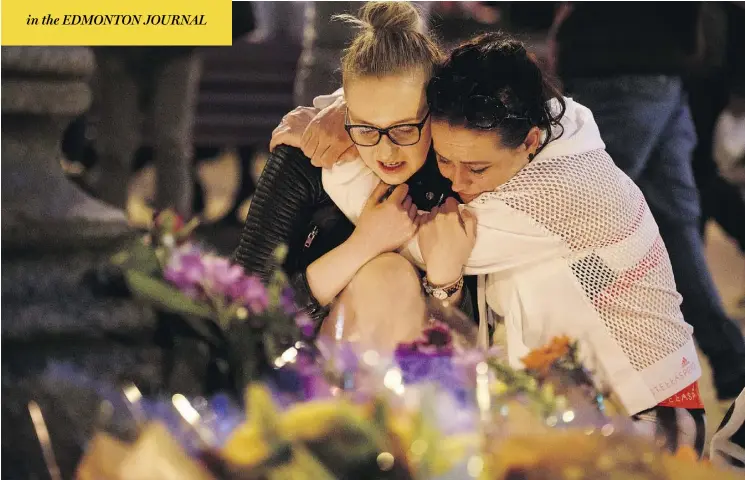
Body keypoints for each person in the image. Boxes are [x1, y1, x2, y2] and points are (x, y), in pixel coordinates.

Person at [278, 31, 707, 453]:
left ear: (530, 142)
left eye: (477, 168)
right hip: (562, 405)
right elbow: (442, 79)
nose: (456, 182)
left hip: (649, 420)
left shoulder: (560, 192)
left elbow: (405, 225)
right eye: (444, 158)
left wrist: (333, 153)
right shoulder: (553, 119)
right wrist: (344, 111)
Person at [234, 2, 474, 353]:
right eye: (364, 128)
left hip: (427, 383)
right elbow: (243, 306)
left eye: (405, 129)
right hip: (305, 374)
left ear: (434, 112)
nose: (386, 151)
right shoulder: (307, 161)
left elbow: (477, 329)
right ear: (343, 114)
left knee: (389, 275)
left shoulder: (459, 170)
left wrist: (445, 280)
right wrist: (362, 246)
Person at [551, 2, 745, 401]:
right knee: (675, 227)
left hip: (614, 66)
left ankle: (579, 372)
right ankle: (730, 359)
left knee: (583, 224)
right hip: (663, 72)